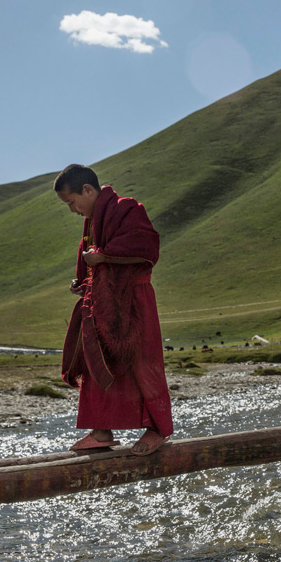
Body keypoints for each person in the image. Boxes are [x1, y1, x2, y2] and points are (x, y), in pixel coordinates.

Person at [55, 164, 173, 456]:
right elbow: (94, 259)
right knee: (98, 361)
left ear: (87, 190)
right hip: (104, 299)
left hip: (135, 297)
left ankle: (158, 429)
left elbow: (145, 247)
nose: (73, 210)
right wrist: (83, 282)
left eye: (72, 202)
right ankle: (101, 431)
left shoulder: (128, 208)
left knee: (142, 360)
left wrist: (103, 257)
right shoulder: (93, 220)